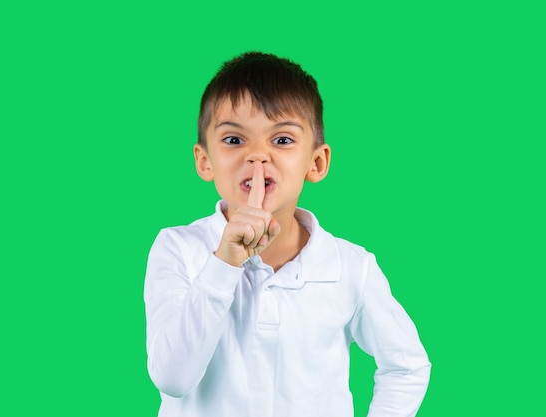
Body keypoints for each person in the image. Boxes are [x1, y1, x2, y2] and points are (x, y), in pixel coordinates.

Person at [144, 51, 431, 417]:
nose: (258, 156)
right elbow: (172, 378)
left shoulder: (350, 266)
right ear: (204, 161)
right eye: (234, 140)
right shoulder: (177, 248)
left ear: (317, 162)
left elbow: (407, 366)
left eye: (281, 140)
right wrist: (224, 263)